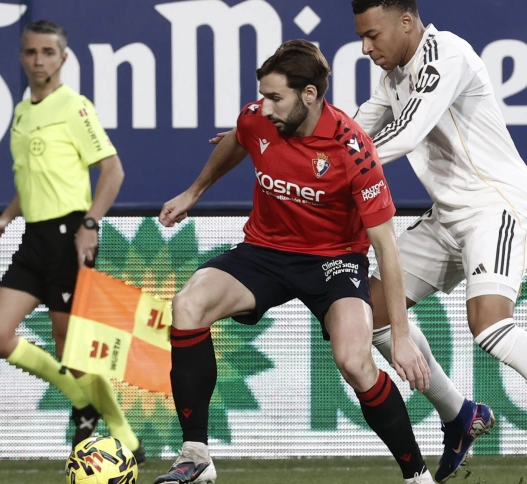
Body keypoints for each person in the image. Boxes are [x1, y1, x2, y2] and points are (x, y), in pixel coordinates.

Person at [349, 1, 527, 482]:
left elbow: (403, 134)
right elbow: (350, 131)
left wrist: (334, 168)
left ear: (405, 22)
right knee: (365, 314)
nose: (365, 47)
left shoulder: (447, 56)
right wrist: (281, 140)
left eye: (373, 35)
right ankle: (459, 414)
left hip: (495, 207)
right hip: (447, 218)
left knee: (489, 326)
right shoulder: (393, 78)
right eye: (362, 37)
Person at [154, 39, 435, 484]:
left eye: (275, 97)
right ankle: (196, 455)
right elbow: (238, 138)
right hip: (265, 252)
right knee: (188, 306)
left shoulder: (352, 150)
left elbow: (387, 247)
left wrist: (400, 336)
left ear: (309, 95)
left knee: (355, 361)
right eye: (262, 96)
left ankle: (417, 476)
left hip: (333, 262)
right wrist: (194, 191)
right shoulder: (260, 118)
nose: (264, 107)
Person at [0, 20, 144, 462]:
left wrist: (89, 224)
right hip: (34, 237)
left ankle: (124, 436)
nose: (38, 60)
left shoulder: (75, 106)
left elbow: (113, 171)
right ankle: (81, 401)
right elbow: (30, 179)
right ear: (22, 57)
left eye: (47, 53)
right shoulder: (22, 110)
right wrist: (5, 218)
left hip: (69, 235)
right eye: (31, 52)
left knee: (74, 349)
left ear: (63, 58)